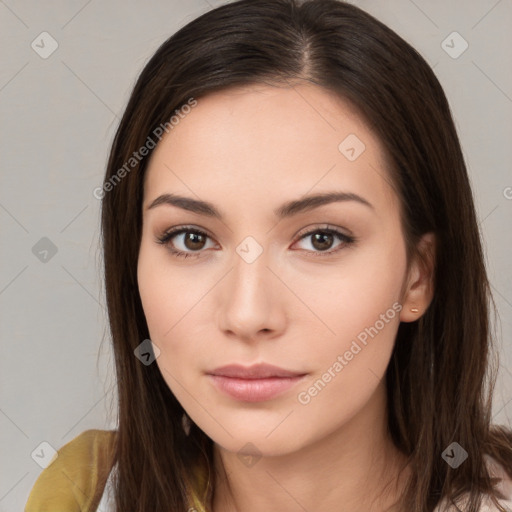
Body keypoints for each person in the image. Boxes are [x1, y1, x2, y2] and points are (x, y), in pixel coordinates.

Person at [25, 0, 512, 511]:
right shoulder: (81, 494)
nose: (247, 314)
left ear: (418, 276)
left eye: (321, 238)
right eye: (192, 238)